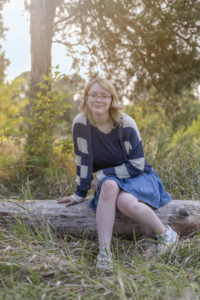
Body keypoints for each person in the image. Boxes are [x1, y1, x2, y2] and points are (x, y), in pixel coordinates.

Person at [56, 77, 179, 269]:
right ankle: (104, 254)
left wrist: (102, 174)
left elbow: (137, 164)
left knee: (125, 202)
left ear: (111, 99)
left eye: (104, 96)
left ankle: (166, 234)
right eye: (94, 95)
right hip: (111, 183)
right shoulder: (80, 124)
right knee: (110, 185)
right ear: (86, 98)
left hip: (136, 176)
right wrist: (80, 194)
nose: (99, 100)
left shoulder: (126, 123)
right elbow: (82, 161)